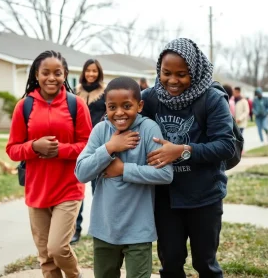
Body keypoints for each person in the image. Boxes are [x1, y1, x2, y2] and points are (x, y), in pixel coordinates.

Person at [141, 38, 235, 278]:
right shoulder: (150, 99)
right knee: (170, 264)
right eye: (166, 73)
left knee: (205, 264)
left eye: (182, 74)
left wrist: (182, 150)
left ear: (194, 71)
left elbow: (226, 146)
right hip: (166, 198)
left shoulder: (212, 99)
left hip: (205, 196)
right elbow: (118, 112)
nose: (172, 81)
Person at [75, 77, 173, 278]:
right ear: (106, 107)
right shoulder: (101, 131)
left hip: (138, 230)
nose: (119, 112)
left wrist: (123, 170)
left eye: (127, 106)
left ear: (140, 105)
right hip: (104, 229)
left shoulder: (149, 129)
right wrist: (110, 147)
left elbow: (165, 173)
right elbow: (81, 172)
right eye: (112, 107)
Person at [6, 50, 92, 278]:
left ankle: (76, 276)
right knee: (45, 257)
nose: (51, 78)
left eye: (58, 73)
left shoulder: (77, 105)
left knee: (58, 248)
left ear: (65, 75)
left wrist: (58, 151)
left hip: (68, 188)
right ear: (37, 74)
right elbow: (12, 149)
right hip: (37, 191)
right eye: (46, 72)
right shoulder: (24, 106)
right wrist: (34, 147)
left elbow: (88, 145)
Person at [72, 59, 106, 244]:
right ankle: (75, 228)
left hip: (98, 144)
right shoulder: (75, 92)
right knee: (77, 188)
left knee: (97, 188)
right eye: (88, 71)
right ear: (83, 72)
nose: (91, 74)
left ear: (99, 73)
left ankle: (98, 228)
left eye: (94, 71)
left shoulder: (105, 92)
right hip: (78, 145)